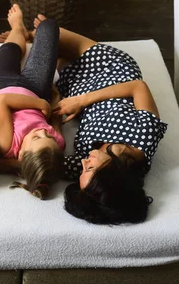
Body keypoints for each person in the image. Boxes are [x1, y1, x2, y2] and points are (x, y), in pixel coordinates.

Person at [16, 14, 168, 224]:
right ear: (112, 176)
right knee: (49, 32)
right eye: (90, 168)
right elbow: (137, 87)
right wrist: (83, 101)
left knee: (51, 47)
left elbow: (32, 161)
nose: (85, 161)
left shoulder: (85, 168)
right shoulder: (142, 141)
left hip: (75, 89)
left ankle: (33, 35)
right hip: (113, 73)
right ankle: (32, 34)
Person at [0, 4, 65, 199]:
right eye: (50, 137)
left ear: (21, 155)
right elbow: (54, 118)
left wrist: (40, 105)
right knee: (49, 27)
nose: (43, 132)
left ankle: (17, 29)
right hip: (36, 88)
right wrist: (55, 101)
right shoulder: (56, 145)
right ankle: (29, 34)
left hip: (3, 85)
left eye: (37, 138)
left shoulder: (8, 144)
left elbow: (4, 101)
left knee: (10, 52)